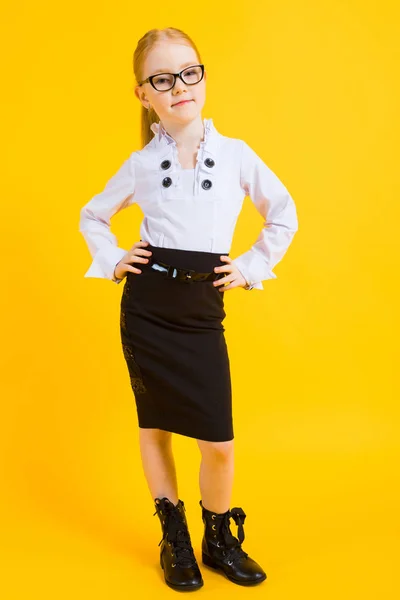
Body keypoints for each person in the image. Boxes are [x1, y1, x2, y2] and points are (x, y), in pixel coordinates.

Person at [79, 27, 298, 592]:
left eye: (189, 72)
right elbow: (92, 216)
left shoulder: (236, 155)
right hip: (147, 308)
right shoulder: (140, 164)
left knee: (218, 444)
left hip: (201, 311)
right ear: (143, 94)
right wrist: (112, 257)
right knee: (154, 429)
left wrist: (249, 267)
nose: (179, 86)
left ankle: (218, 539)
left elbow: (284, 213)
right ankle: (175, 538)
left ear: (203, 76)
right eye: (162, 78)